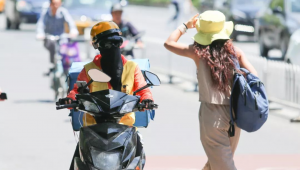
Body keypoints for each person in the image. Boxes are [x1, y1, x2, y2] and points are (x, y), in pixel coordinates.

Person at [164, 11, 257, 170]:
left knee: (221, 163)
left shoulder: (197, 52)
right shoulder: (236, 52)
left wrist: (185, 26)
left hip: (212, 114)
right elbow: (254, 77)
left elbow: (169, 43)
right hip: (235, 113)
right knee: (219, 162)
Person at [64, 21, 153, 170]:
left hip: (125, 128)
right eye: (106, 44)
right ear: (97, 46)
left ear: (120, 43)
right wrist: (71, 98)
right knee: (76, 162)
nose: (112, 47)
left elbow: (144, 90)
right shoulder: (88, 70)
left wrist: (147, 100)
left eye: (115, 42)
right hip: (94, 129)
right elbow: (76, 90)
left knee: (139, 158)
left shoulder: (132, 68)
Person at [36, 0, 78, 65]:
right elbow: (41, 24)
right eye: (54, 4)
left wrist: (73, 31)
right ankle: (53, 63)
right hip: (49, 37)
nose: (56, 6)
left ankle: (66, 65)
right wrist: (40, 34)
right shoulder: (46, 13)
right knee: (52, 46)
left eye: (57, 4)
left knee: (65, 49)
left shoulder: (63, 12)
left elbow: (70, 22)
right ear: (50, 4)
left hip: (61, 36)